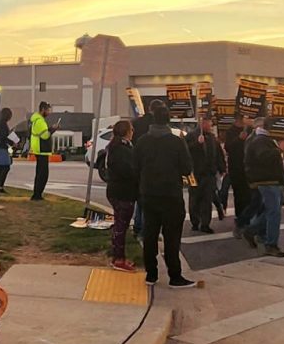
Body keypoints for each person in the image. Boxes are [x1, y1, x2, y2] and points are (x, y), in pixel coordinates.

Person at [136, 101, 198, 285]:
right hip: (171, 194)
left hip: (149, 193)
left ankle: (151, 273)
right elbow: (187, 168)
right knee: (172, 237)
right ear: (168, 121)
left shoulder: (142, 141)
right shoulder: (176, 142)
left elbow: (135, 165)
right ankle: (174, 275)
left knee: (150, 234)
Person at [239, 120, 284, 257]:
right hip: (266, 180)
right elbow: (263, 157)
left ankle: (251, 231)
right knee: (274, 212)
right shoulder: (260, 140)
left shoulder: (265, 140)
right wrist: (279, 149)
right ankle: (271, 244)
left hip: (271, 180)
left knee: (272, 210)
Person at [95, 119, 140, 267]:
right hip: (122, 192)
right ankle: (118, 258)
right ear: (126, 132)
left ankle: (118, 255)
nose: (133, 132)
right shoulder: (120, 149)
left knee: (121, 224)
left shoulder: (117, 147)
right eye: (131, 130)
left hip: (119, 190)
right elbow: (126, 170)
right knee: (121, 225)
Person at [186, 116, 223, 232]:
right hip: (193, 173)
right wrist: (197, 143)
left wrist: (221, 167)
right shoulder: (191, 136)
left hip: (208, 173)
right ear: (202, 123)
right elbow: (185, 150)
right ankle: (195, 222)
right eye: (209, 124)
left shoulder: (212, 138)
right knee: (194, 198)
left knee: (207, 199)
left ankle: (205, 224)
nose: (211, 126)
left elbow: (218, 153)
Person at [29, 102, 54, 200]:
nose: (49, 112)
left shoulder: (37, 119)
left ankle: (37, 194)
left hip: (39, 149)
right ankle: (37, 195)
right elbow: (45, 135)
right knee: (43, 174)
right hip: (41, 149)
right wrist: (53, 129)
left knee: (40, 173)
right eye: (48, 110)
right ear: (43, 109)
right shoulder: (40, 121)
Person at [0, 107, 15, 192]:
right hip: (2, 147)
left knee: (1, 167)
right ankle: (0, 187)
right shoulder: (3, 125)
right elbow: (4, 137)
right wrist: (12, 142)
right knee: (5, 167)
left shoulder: (1, 124)